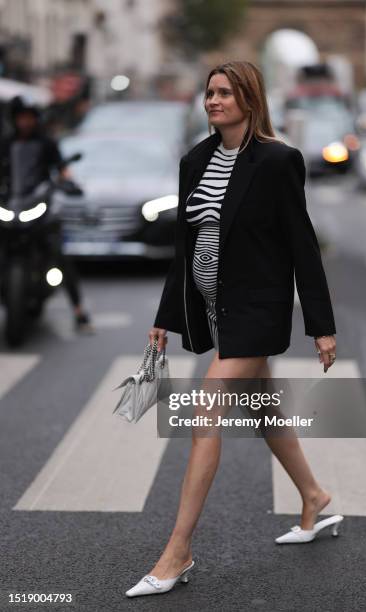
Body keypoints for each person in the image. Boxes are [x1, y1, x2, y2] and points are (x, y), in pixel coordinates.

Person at [126, 61, 339, 598]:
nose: (213, 101)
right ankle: (314, 495)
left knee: (206, 411)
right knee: (264, 409)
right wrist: (164, 316)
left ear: (249, 99)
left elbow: (301, 243)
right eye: (209, 92)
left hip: (259, 308)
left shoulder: (277, 161)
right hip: (216, 308)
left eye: (224, 93)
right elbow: (184, 246)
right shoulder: (195, 160)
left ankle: (178, 550)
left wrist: (322, 326)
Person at [0, 97, 94, 333]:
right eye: (21, 117)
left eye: (29, 117)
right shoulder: (5, 143)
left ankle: (79, 312)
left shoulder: (46, 143)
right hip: (11, 206)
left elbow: (62, 168)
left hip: (39, 207)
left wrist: (68, 181)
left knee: (58, 254)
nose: (25, 122)